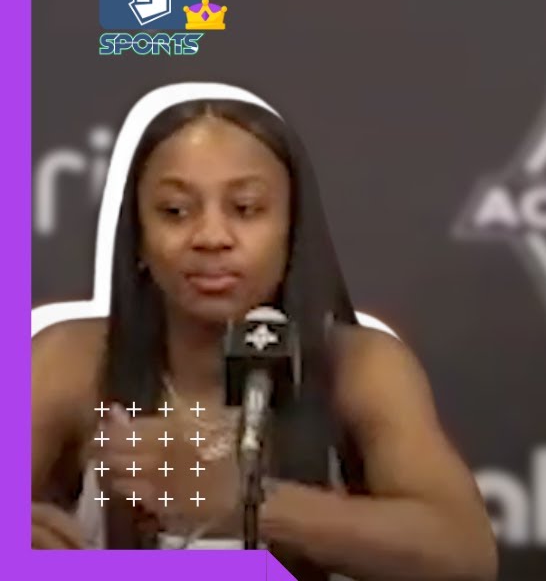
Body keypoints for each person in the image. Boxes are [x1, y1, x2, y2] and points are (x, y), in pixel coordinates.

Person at [31, 93, 499, 581]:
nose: (211, 236)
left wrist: (248, 502)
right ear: (139, 239)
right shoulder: (72, 359)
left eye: (246, 208)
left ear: (291, 231)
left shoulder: (360, 365)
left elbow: (464, 554)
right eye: (175, 211)